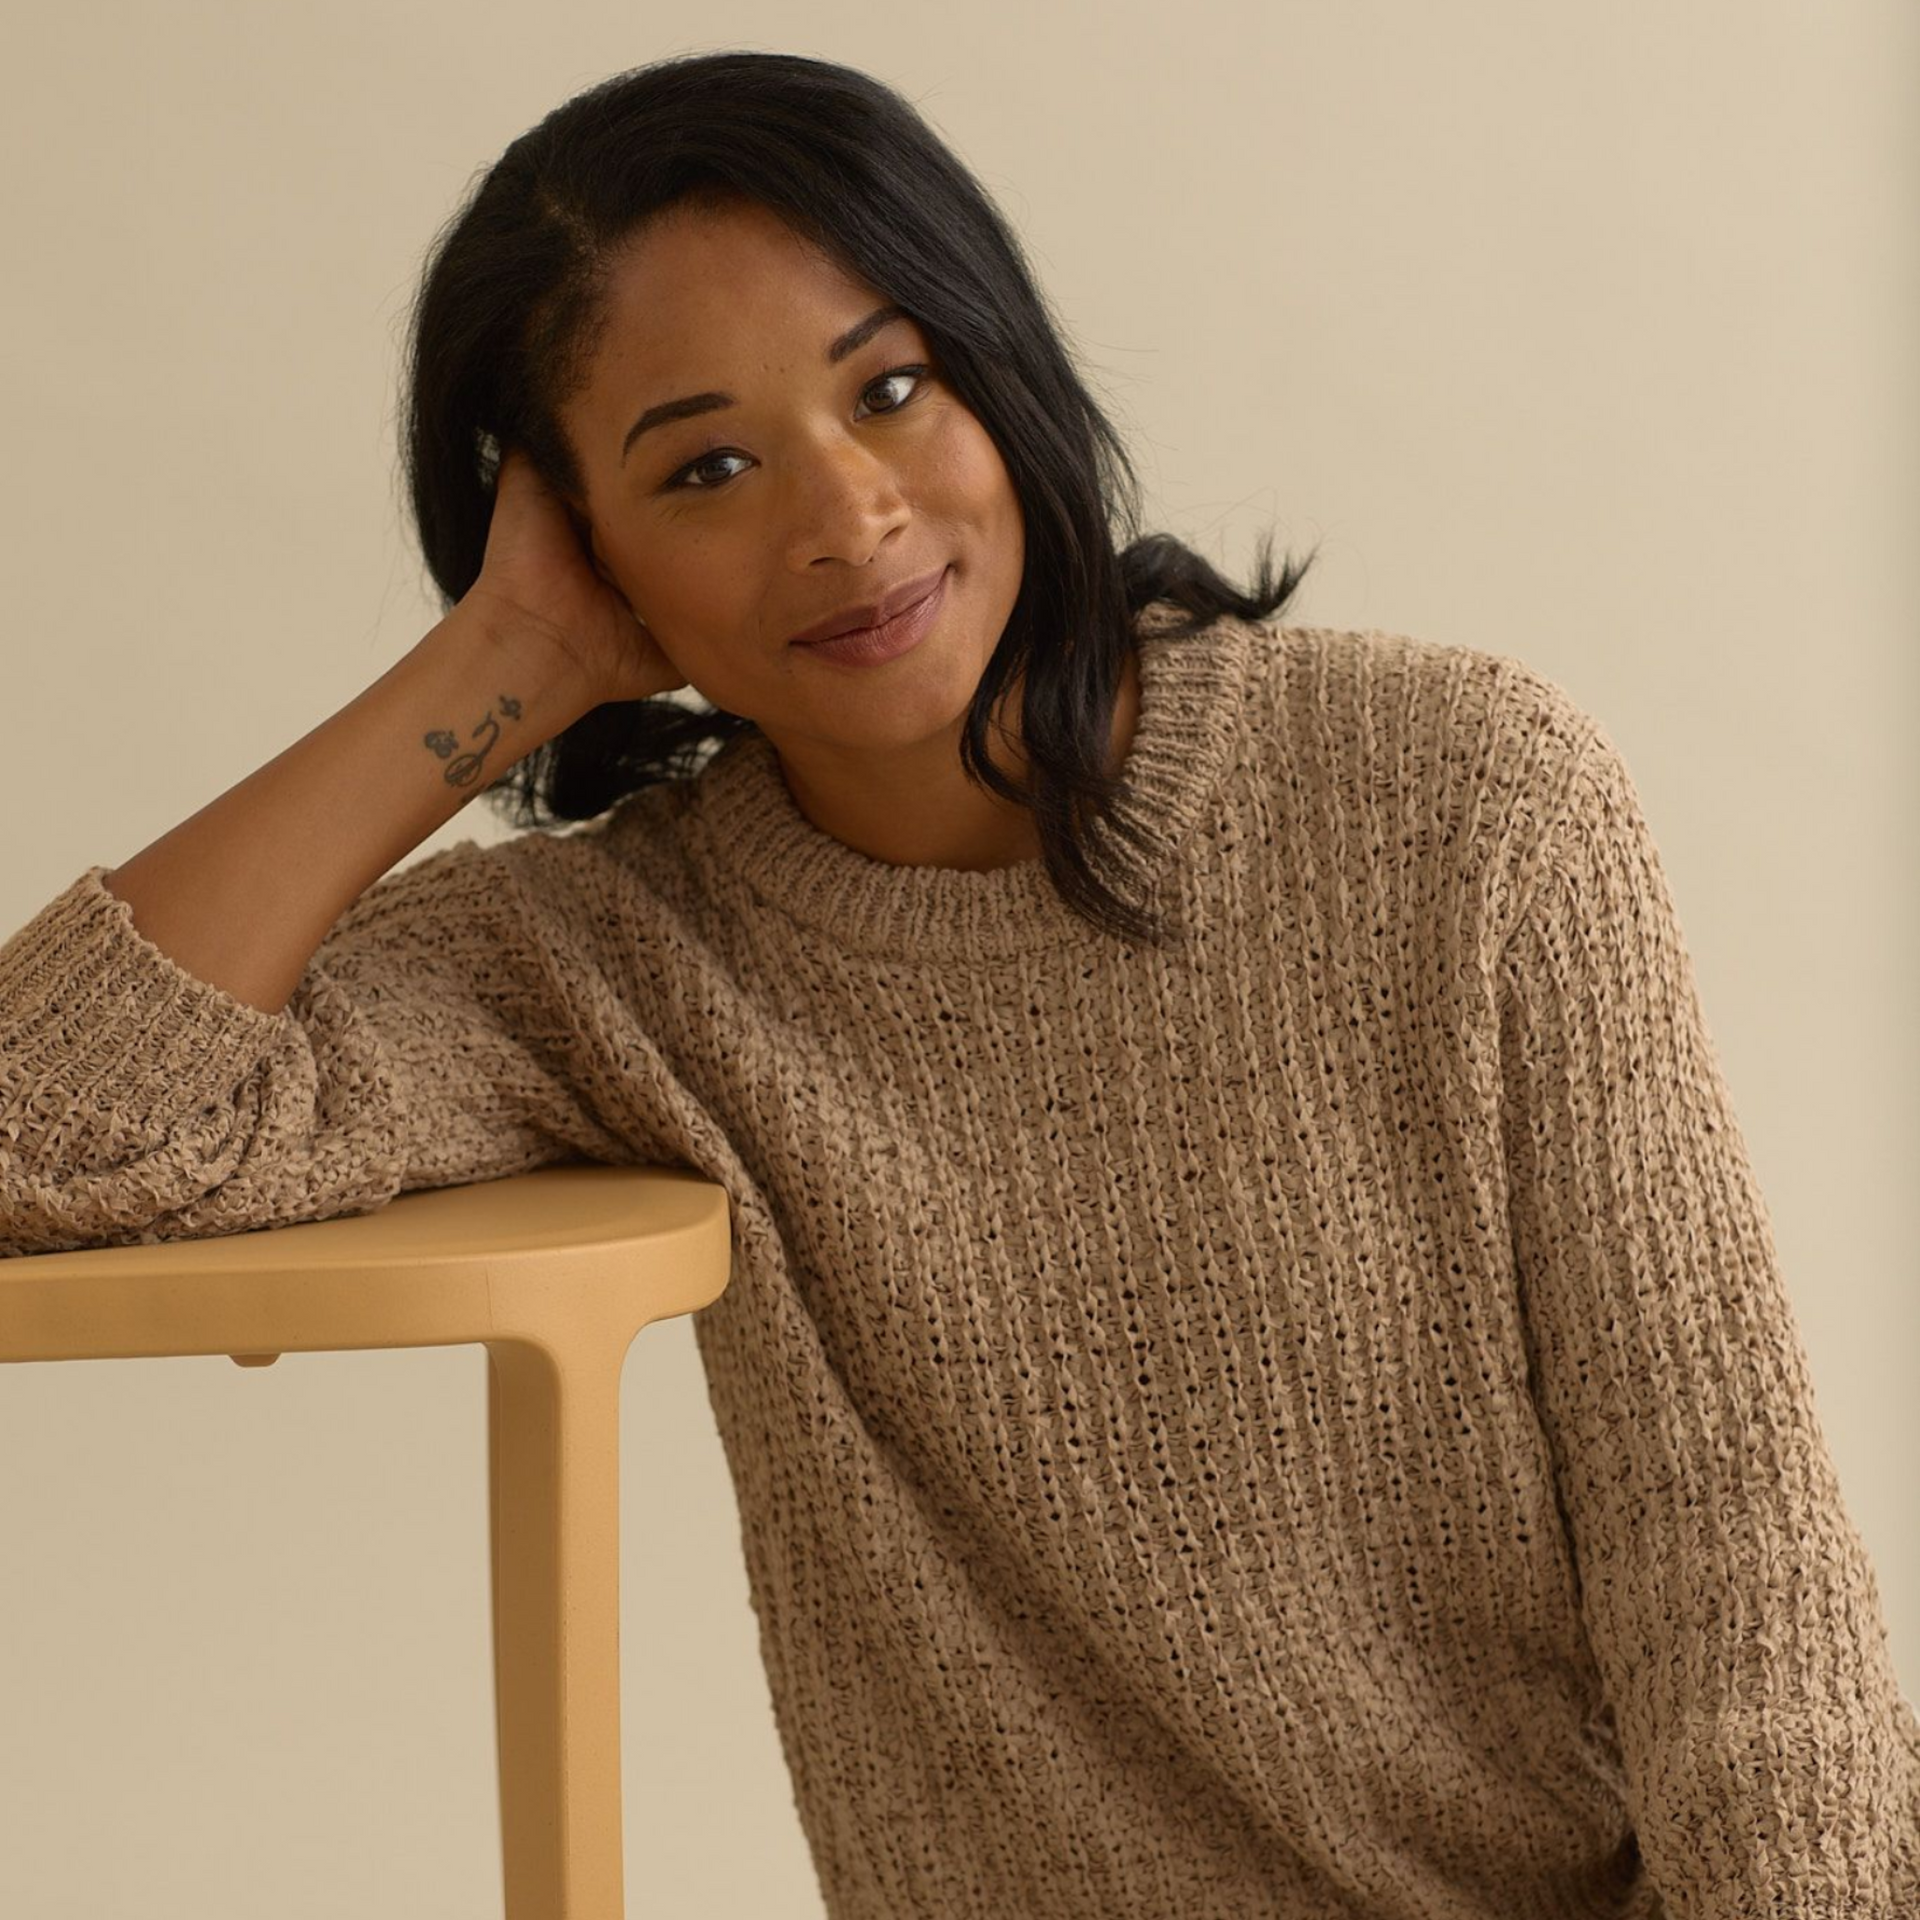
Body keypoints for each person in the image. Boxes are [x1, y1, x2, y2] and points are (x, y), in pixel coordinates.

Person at [2, 49, 1915, 1920]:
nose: (846, 518)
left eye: (892, 388)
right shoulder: (618, 963)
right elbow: (46, 1129)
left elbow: (1738, 1583)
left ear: (1001, 373)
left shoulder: (1463, 800)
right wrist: (493, 661)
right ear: (594, 554)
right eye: (708, 468)